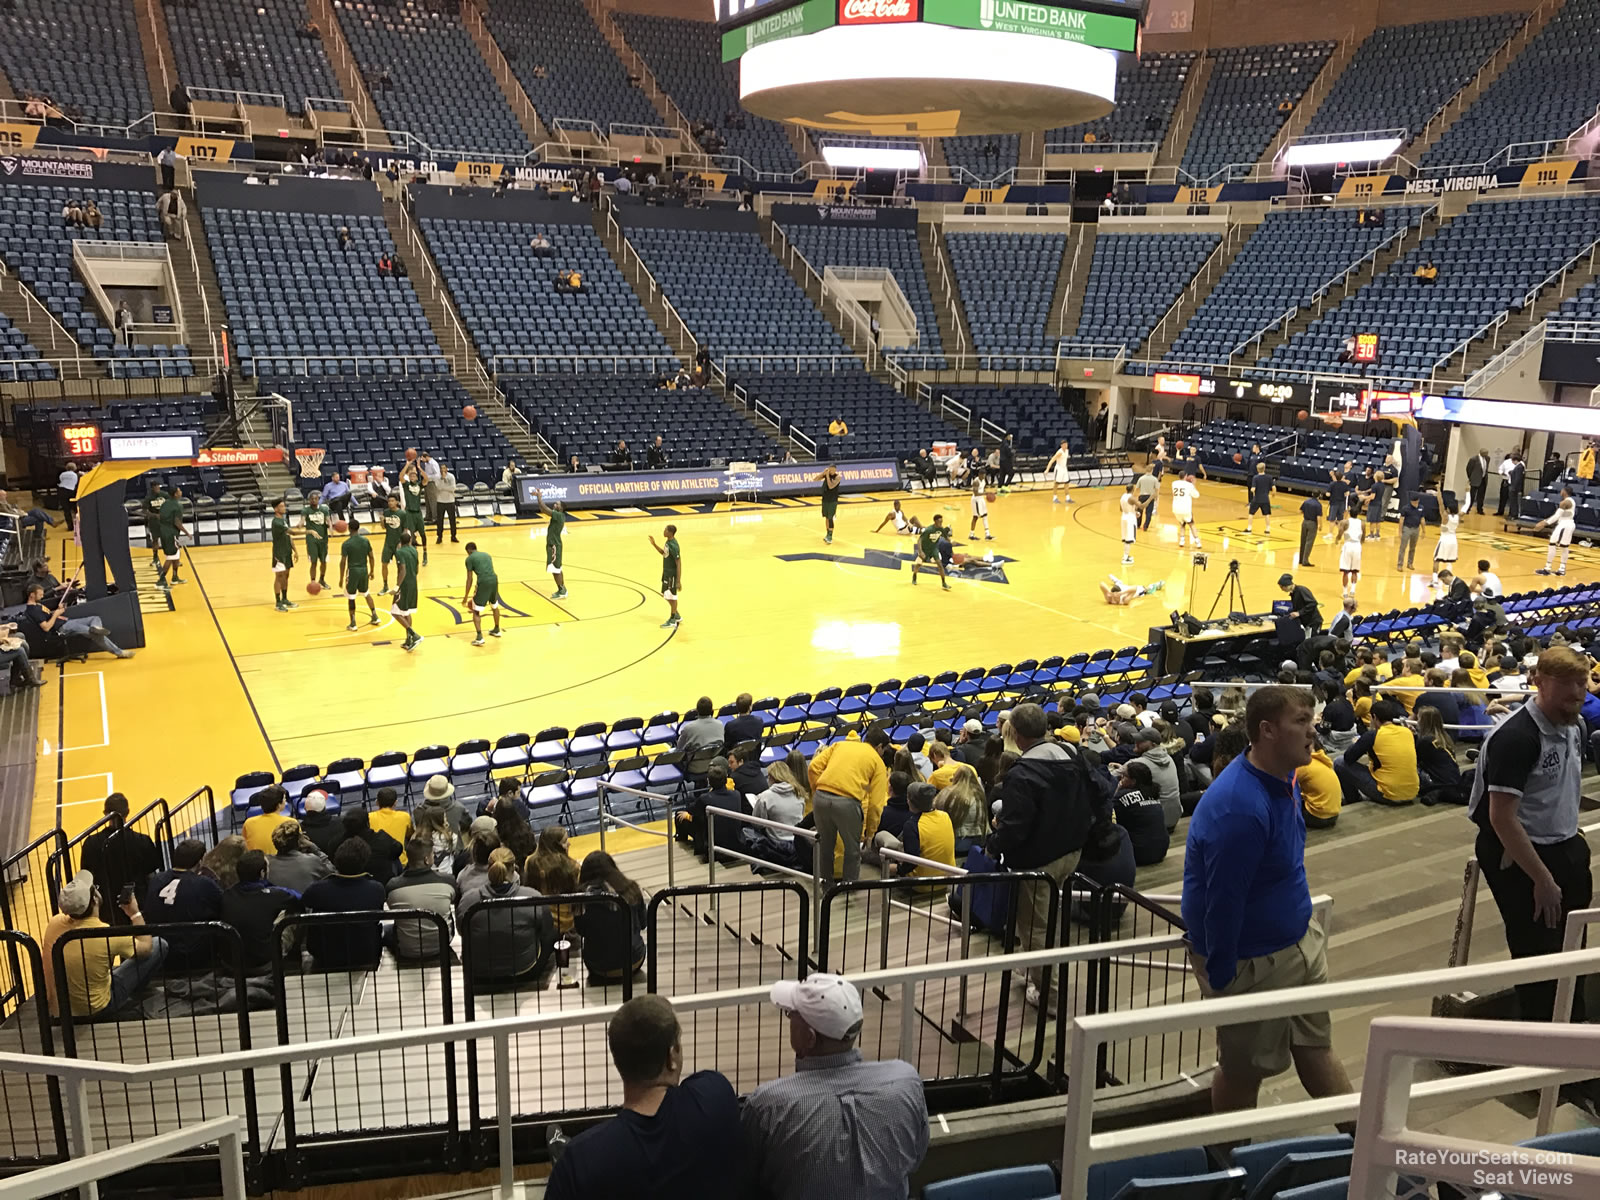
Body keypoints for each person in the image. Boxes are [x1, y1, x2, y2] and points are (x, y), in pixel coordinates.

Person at [1181, 686, 1352, 1114]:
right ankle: (1229, 1167)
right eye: (1301, 721)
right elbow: (1221, 901)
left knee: (1316, 1048)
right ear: (1267, 730)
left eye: (1312, 719)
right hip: (1250, 963)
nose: (1314, 730)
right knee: (1242, 1071)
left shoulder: (1287, 774)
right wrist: (1222, 977)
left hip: (1300, 940)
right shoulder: (1239, 808)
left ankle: (1365, 1144)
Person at [1470, 646, 1591, 1022]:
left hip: (1564, 843)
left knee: (1573, 946)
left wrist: (1569, 828)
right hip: (1520, 855)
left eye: (1581, 682)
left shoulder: (1575, 724)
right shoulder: (1517, 738)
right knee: (1537, 952)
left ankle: (1574, 1029)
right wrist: (1542, 877)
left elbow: (1561, 786)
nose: (1576, 692)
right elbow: (1502, 818)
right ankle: (1542, 1045)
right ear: (1538, 681)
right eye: (1566, 683)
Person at [743, 972, 926, 1200]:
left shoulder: (769, 1106)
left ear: (809, 1038)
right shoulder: (905, 1081)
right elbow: (916, 1157)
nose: (788, 1019)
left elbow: (746, 1179)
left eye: (791, 1014)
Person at [546, 994, 744, 1200]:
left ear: (618, 1062)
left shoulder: (579, 1161)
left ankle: (559, 1148)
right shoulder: (715, 1095)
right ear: (671, 1056)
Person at [992, 703, 1097, 1005]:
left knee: (1035, 928)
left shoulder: (1022, 773)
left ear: (1015, 733)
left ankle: (1050, 996)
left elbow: (1014, 828)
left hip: (1040, 861)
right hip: (1072, 849)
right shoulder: (1070, 754)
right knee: (1052, 917)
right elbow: (1098, 791)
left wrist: (994, 844)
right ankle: (1038, 971)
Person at [43, 869, 168, 1020]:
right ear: (95, 899)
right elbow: (146, 948)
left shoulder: (54, 923)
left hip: (60, 1011)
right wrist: (135, 914)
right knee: (159, 944)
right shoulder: (105, 934)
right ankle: (134, 993)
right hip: (97, 1009)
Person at [808, 729, 890, 882]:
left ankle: (825, 888)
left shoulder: (840, 745)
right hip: (847, 803)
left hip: (821, 797)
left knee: (825, 849)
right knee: (852, 851)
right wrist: (870, 832)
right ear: (879, 747)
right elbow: (876, 804)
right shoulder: (877, 761)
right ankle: (848, 889)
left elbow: (813, 767)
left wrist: (817, 790)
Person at [460, 854, 554, 984]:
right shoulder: (532, 896)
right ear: (513, 870)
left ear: (488, 869)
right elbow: (546, 931)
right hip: (525, 971)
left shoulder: (468, 898)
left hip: (479, 972)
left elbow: (461, 931)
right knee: (551, 934)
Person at [301, 839, 386, 970]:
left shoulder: (317, 890)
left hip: (325, 954)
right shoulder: (377, 889)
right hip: (365, 954)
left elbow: (304, 901)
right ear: (365, 863)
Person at [142, 839, 223, 969]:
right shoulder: (204, 883)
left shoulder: (156, 880)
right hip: (193, 955)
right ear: (200, 861)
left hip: (161, 953)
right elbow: (224, 905)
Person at [220, 851, 302, 973]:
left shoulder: (226, 895)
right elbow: (299, 898)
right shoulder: (275, 895)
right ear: (262, 873)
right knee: (292, 914)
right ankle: (295, 958)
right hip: (264, 963)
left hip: (231, 962)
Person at [576, 851, 647, 981]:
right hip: (634, 961)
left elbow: (581, 931)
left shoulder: (581, 896)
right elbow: (643, 923)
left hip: (599, 967)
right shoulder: (631, 888)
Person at [1337, 700, 1419, 806]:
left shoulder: (1372, 735)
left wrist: (1358, 743)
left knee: (1339, 762)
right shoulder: (1407, 732)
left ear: (1374, 717)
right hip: (1412, 792)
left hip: (1389, 794)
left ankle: (1353, 799)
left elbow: (1348, 758)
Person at [19, 583, 132, 660]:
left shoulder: (37, 605)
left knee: (95, 618)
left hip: (66, 622)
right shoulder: (33, 610)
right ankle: (119, 652)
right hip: (61, 628)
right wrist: (57, 615)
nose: (42, 595)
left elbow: (47, 616)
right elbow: (46, 627)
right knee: (94, 634)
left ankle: (96, 627)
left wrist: (56, 611)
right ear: (32, 595)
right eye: (40, 594)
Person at [744, 756, 808, 867]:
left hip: (777, 843)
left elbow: (757, 824)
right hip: (797, 842)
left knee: (746, 831)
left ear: (772, 777)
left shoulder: (766, 796)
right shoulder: (800, 792)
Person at [893, 782, 956, 879]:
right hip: (948, 878)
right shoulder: (945, 816)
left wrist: (898, 869)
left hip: (921, 883)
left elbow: (911, 862)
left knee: (882, 838)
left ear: (910, 801)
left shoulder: (911, 825)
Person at [1113, 761, 1169, 865]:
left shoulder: (1122, 796)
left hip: (1139, 854)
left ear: (1133, 781)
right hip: (1161, 849)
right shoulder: (1152, 793)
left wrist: (1118, 789)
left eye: (1124, 776)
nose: (1121, 778)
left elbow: (1109, 814)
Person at [267, 820, 332, 894]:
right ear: (299, 841)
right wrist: (316, 850)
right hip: (305, 904)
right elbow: (332, 873)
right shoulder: (311, 860)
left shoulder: (266, 862)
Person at [338, 517, 380, 631]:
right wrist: (372, 571)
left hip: (353, 571)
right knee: (366, 593)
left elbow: (343, 562)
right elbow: (371, 557)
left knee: (351, 597)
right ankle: (375, 616)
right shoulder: (365, 541)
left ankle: (353, 623)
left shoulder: (346, 544)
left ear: (349, 528)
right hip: (364, 570)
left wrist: (341, 578)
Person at [460, 542, 502, 647]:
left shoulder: (469, 559)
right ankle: (497, 629)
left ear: (468, 551)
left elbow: (469, 579)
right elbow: (487, 570)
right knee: (494, 605)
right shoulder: (486, 555)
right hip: (494, 580)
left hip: (483, 582)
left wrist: (465, 597)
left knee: (475, 610)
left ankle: (479, 637)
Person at [534, 493, 569, 600]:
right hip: (554, 544)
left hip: (554, 545)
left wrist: (539, 497)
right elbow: (542, 509)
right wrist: (538, 499)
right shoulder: (558, 515)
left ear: (561, 508)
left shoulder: (558, 515)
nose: (555, 504)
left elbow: (545, 509)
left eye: (557, 504)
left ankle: (562, 590)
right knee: (557, 568)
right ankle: (562, 589)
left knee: (555, 569)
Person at [391, 531, 422, 652]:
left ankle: (414, 635)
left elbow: (402, 570)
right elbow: (417, 568)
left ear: (400, 541)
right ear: (410, 541)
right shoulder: (414, 550)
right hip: (413, 582)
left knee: (395, 612)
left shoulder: (399, 552)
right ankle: (409, 639)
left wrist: (397, 586)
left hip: (404, 584)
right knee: (406, 612)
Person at [1536, 488, 1577, 577]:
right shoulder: (1571, 501)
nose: (1560, 491)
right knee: (1564, 547)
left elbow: (1556, 516)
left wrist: (1544, 523)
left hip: (1564, 525)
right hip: (1568, 524)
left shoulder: (1565, 502)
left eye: (1562, 490)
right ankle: (1561, 569)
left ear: (1565, 492)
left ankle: (1547, 568)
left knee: (1553, 544)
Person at [244, 787, 293, 854]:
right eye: (284, 799)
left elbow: (245, 845)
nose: (285, 800)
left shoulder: (249, 823)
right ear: (279, 805)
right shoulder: (291, 823)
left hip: (257, 862)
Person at [650, 524, 681, 629]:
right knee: (665, 594)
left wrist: (678, 580)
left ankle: (673, 619)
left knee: (672, 595)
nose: (663, 531)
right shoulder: (668, 542)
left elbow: (679, 562)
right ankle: (676, 614)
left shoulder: (673, 545)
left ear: (670, 532)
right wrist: (654, 544)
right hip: (666, 573)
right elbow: (664, 553)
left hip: (672, 574)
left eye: (665, 530)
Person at [268, 499, 297, 612]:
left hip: (287, 551)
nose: (284, 508)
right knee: (279, 576)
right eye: (281, 506)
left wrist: (295, 549)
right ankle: (278, 602)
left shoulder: (283, 520)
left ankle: (285, 599)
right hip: (279, 553)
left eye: (284, 506)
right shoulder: (276, 522)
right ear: (276, 509)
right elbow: (292, 532)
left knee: (286, 575)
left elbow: (289, 536)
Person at [910, 514, 950, 590]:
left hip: (934, 549)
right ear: (935, 521)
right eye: (939, 521)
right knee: (918, 564)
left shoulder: (941, 529)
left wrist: (950, 540)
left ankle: (944, 583)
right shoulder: (929, 530)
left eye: (942, 521)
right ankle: (914, 576)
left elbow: (946, 537)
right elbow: (920, 540)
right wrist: (920, 551)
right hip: (925, 549)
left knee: (940, 565)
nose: (941, 523)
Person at [811, 464, 842, 544]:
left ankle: (830, 536)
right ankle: (827, 534)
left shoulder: (838, 477)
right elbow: (815, 479)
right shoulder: (826, 474)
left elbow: (830, 486)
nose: (831, 471)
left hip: (832, 500)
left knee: (830, 517)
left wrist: (827, 476)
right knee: (826, 517)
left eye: (832, 470)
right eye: (830, 470)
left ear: (835, 470)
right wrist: (823, 473)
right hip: (825, 499)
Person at [1171, 471, 1201, 548]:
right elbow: (1196, 495)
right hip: (1185, 508)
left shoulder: (1174, 483)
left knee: (1182, 524)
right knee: (1191, 525)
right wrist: (1193, 484)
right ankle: (1198, 542)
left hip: (1176, 508)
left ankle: (1182, 541)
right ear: (1186, 476)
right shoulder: (1189, 485)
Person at [1337, 513, 1363, 598]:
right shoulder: (1362, 523)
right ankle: (1352, 590)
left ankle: (1345, 593)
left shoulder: (1345, 522)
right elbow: (1363, 537)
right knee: (1355, 571)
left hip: (1348, 546)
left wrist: (1337, 539)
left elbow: (1340, 533)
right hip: (1357, 546)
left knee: (1345, 571)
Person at [433, 462, 459, 544]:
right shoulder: (437, 477)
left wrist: (444, 483)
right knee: (440, 520)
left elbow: (453, 488)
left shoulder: (451, 476)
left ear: (447, 469)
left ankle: (453, 536)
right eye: (441, 468)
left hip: (450, 500)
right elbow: (438, 487)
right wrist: (443, 481)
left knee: (452, 520)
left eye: (444, 468)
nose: (442, 470)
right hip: (440, 501)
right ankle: (439, 536)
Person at [1245, 462, 1272, 534]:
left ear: (1257, 469)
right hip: (1266, 499)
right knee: (1266, 514)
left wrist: (1251, 490)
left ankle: (1249, 528)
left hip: (1257, 499)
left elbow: (1253, 489)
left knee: (1251, 513)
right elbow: (1274, 487)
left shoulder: (1255, 478)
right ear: (1264, 468)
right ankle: (1268, 529)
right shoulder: (1269, 477)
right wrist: (1274, 494)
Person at [968, 468, 995, 541]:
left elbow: (983, 489)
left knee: (985, 515)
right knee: (976, 517)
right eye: (983, 475)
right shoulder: (976, 481)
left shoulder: (983, 480)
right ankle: (971, 534)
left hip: (981, 499)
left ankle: (987, 534)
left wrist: (988, 493)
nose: (984, 476)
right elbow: (976, 493)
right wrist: (986, 493)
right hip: (976, 500)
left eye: (985, 475)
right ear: (979, 474)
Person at [1045, 440, 1073, 504]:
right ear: (1061, 445)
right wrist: (1047, 469)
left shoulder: (1067, 451)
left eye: (1066, 444)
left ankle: (1067, 498)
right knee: (1056, 483)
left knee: (1066, 483)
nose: (1066, 446)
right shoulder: (1059, 452)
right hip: (1059, 469)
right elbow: (1052, 460)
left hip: (1064, 468)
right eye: (1065, 445)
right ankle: (1055, 498)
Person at [1118, 483, 1140, 565]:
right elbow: (1141, 505)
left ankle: (1126, 555)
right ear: (1133, 490)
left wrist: (1135, 512)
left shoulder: (1123, 496)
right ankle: (1125, 558)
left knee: (1125, 538)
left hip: (1123, 517)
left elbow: (1121, 508)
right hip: (1130, 519)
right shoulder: (1132, 498)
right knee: (1129, 539)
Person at [1134, 464, 1159, 532]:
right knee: (1148, 513)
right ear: (1152, 470)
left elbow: (1137, 488)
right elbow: (1156, 490)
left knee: (1139, 512)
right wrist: (1156, 497)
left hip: (1142, 496)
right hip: (1150, 497)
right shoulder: (1154, 479)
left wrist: (1134, 497)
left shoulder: (1141, 478)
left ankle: (1138, 524)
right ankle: (1145, 526)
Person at [1466, 449, 1489, 515]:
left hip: (1483, 479)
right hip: (1474, 480)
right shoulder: (1473, 459)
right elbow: (1468, 469)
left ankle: (1480, 509)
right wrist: (1471, 477)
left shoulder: (1487, 459)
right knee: (1472, 496)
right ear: (1481, 453)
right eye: (1485, 453)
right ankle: (1467, 508)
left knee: (1481, 496)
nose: (1487, 454)